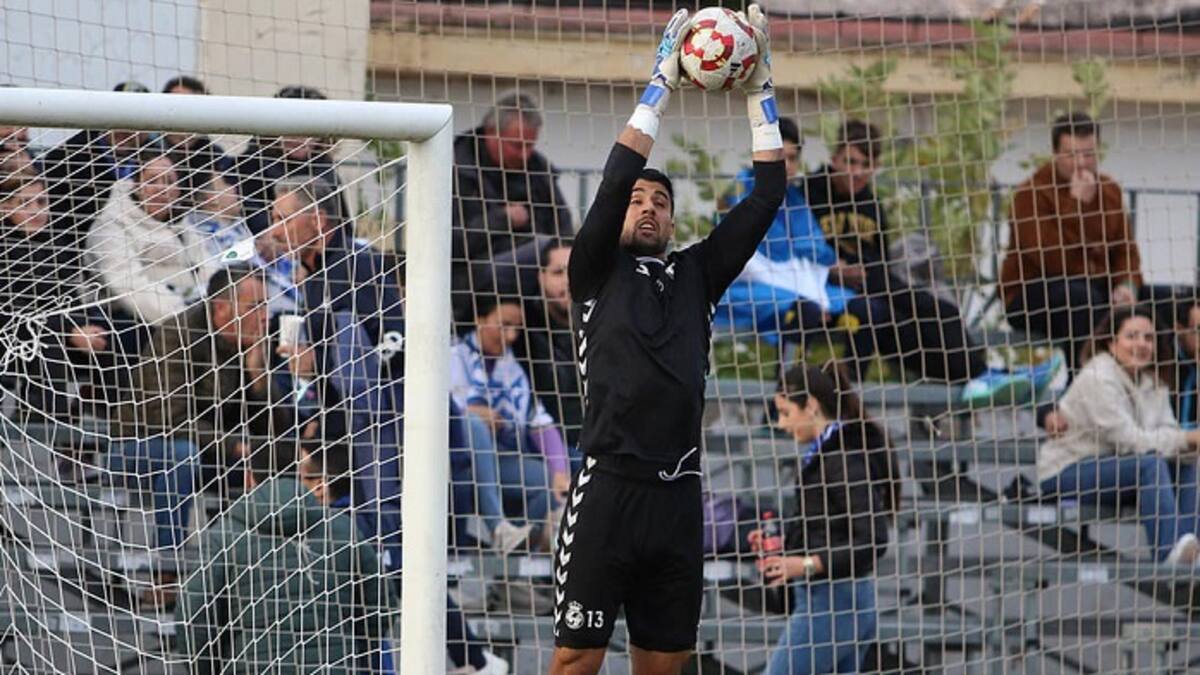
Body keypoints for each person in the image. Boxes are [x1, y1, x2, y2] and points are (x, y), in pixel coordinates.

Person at [549, 6, 784, 673]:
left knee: (665, 666)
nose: (647, 205)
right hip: (608, 492)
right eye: (638, 200)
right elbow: (618, 176)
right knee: (575, 659)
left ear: (674, 219)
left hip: (679, 498)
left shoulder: (698, 274)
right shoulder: (593, 267)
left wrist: (760, 88)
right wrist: (662, 84)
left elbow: (768, 194)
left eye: (661, 202)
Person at [804, 118, 1060, 405]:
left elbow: (881, 261)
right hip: (831, 288)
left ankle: (985, 378)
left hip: (875, 285)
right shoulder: (809, 194)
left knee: (937, 320)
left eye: (865, 165)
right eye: (849, 162)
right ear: (834, 158)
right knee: (911, 315)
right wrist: (830, 269)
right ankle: (985, 376)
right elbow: (792, 247)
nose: (856, 172)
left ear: (876, 166)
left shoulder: (870, 203)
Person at [108, 265, 289, 608]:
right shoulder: (177, 334)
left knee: (269, 461)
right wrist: (234, 445)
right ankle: (167, 572)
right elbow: (170, 419)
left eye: (266, 307)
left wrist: (258, 375)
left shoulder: (249, 344)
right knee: (183, 455)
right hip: (136, 445)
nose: (265, 317)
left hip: (206, 449)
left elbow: (274, 430)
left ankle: (238, 575)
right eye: (255, 308)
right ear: (221, 309)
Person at [175, 437, 395, 675]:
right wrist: (352, 651)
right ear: (301, 474)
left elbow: (193, 617)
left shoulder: (223, 537)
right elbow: (381, 604)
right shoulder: (342, 530)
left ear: (249, 478)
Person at [299, 441, 509, 675]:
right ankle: (475, 661)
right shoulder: (379, 519)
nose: (298, 485)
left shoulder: (328, 531)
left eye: (302, 478)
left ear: (320, 485)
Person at [748, 363, 897, 674]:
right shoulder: (826, 455)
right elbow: (828, 528)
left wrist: (803, 564)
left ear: (812, 406)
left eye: (786, 412)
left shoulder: (842, 458)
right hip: (840, 599)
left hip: (833, 601)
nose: (781, 424)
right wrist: (784, 548)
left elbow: (873, 540)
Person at [1002, 112, 1175, 369]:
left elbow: (1125, 250)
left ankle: (1169, 394)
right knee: (1081, 298)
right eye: (1072, 155)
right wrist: (1077, 206)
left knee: (1174, 301)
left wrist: (1127, 284)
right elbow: (1051, 260)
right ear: (1055, 153)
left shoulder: (1109, 190)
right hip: (1033, 294)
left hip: (1098, 288)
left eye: (1089, 154)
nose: (1082, 164)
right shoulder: (1030, 193)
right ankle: (1086, 387)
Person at [1037, 305, 1200, 564]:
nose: (1142, 344)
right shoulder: (1098, 376)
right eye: (1132, 336)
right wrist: (1188, 438)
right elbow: (1129, 440)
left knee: (1189, 462)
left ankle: (1191, 552)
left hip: (1121, 472)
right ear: (1112, 343)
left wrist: (1188, 445)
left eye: (1149, 338)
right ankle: (1170, 554)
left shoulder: (1153, 382)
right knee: (1152, 464)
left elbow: (1168, 431)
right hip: (1068, 472)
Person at [716, 117, 875, 356]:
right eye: (779, 157)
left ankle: (847, 386)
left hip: (795, 283)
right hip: (746, 286)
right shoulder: (739, 193)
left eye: (791, 159)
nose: (786, 166)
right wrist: (811, 290)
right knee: (805, 311)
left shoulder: (794, 199)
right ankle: (786, 388)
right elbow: (746, 262)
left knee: (867, 309)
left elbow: (812, 248)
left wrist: (832, 266)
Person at [450, 293, 568, 551]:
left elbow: (539, 422)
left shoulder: (513, 368)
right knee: (472, 422)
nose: (512, 335)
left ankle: (519, 546)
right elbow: (444, 408)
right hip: (458, 464)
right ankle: (498, 528)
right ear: (480, 320)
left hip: (503, 461)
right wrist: (472, 412)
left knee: (558, 478)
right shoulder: (454, 355)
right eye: (504, 325)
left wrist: (560, 471)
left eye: (517, 328)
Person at [451, 92, 574, 326]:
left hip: (537, 281)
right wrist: (500, 220)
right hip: (471, 282)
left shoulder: (539, 171)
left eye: (530, 145)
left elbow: (562, 228)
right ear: (491, 132)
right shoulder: (455, 168)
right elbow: (448, 243)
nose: (525, 154)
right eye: (517, 146)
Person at [86, 149, 217, 325]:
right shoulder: (110, 225)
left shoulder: (183, 227)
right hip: (128, 321)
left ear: (178, 191)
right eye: (152, 180)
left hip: (195, 315)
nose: (161, 189)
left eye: (169, 181)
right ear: (137, 186)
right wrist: (187, 319)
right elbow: (129, 286)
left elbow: (209, 269)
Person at [231, 85, 347, 235]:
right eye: (290, 125)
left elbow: (343, 230)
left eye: (309, 127)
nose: (298, 135)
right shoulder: (250, 165)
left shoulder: (325, 170)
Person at [513, 239, 584, 451]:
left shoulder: (601, 324)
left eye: (575, 271)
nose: (568, 281)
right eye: (558, 272)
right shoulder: (522, 330)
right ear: (541, 277)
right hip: (543, 446)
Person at [160, 75, 234, 210]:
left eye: (194, 109)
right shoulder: (148, 150)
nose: (187, 116)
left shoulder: (214, 157)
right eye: (180, 107)